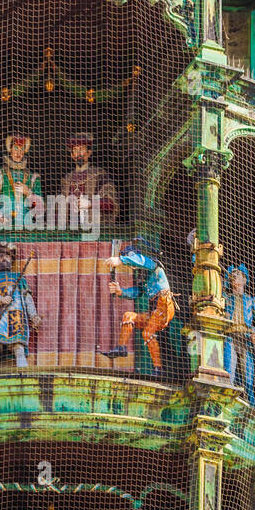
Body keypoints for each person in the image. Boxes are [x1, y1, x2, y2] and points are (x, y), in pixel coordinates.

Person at [100, 236, 175, 376]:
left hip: (164, 304)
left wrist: (121, 260)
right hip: (155, 311)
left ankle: (158, 369)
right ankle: (121, 348)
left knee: (147, 333)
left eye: (130, 260)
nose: (131, 266)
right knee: (129, 316)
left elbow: (142, 261)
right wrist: (121, 291)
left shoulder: (153, 264)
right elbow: (138, 292)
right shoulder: (143, 276)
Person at [0, 242, 41, 370]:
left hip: (15, 317)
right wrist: (0, 299)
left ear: (12, 259)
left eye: (7, 256)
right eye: (1, 256)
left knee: (18, 348)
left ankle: (23, 378)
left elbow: (27, 298)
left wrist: (34, 315)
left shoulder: (19, 278)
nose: (4, 258)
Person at [223, 263, 255, 405]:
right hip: (230, 338)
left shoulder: (252, 301)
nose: (234, 278)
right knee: (229, 375)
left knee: (248, 382)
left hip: (247, 341)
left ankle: (251, 410)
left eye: (238, 275)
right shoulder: (226, 298)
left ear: (244, 280)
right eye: (232, 276)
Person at [0, 135, 43, 224]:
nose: (18, 153)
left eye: (21, 149)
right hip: (3, 225)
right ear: (10, 149)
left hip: (26, 226)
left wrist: (28, 193)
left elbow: (40, 208)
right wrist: (0, 217)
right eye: (16, 148)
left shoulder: (33, 177)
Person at [59, 133, 118, 219]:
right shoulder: (66, 179)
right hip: (70, 228)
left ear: (89, 152)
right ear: (72, 155)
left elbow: (111, 203)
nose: (78, 153)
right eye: (75, 149)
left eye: (82, 149)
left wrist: (91, 203)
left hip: (95, 227)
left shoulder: (100, 175)